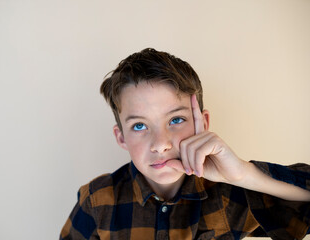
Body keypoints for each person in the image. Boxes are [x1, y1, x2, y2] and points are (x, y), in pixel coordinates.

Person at [60, 48, 310, 240]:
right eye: (139, 126)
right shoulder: (96, 200)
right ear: (121, 137)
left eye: (176, 119)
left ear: (204, 122)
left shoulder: (229, 195)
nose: (160, 144)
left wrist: (243, 174)